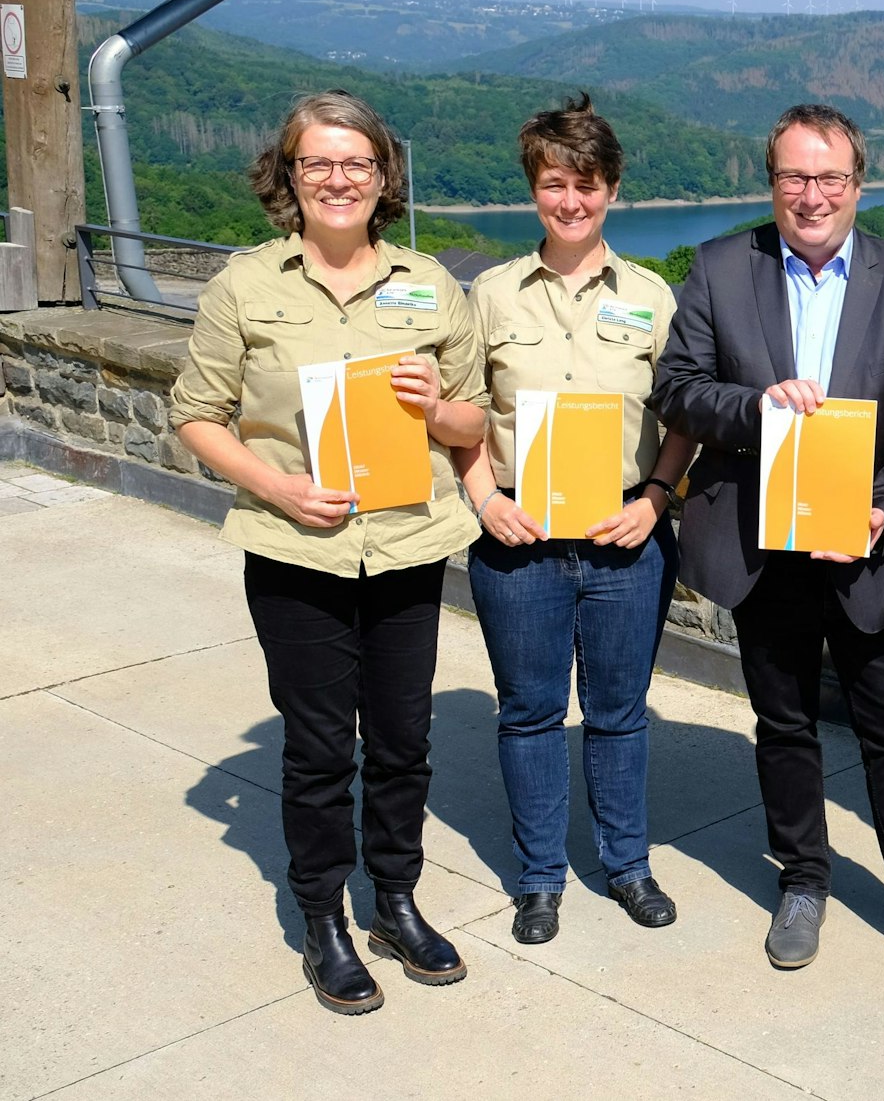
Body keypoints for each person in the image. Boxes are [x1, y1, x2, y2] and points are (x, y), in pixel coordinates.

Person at [651, 103, 884, 981]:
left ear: (858, 184)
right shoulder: (722, 266)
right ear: (771, 182)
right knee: (783, 723)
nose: (811, 195)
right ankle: (803, 879)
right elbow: (678, 390)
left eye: (829, 178)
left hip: (867, 545)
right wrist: (755, 406)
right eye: (793, 177)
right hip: (761, 546)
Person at [169, 90, 484, 1015]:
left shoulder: (430, 282)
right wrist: (280, 487)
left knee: (402, 740)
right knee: (316, 749)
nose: (339, 178)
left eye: (357, 162)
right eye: (319, 163)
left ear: (384, 176)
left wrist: (435, 407)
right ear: (290, 177)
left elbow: (475, 422)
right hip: (293, 553)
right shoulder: (246, 285)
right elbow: (195, 413)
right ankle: (322, 920)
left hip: (405, 548)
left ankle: (393, 899)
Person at [451, 96, 696, 946]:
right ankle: (539, 877)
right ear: (533, 190)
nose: (571, 201)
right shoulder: (486, 295)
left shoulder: (654, 297)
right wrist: (486, 500)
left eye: (586, 185)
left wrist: (655, 499)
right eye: (554, 184)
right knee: (527, 713)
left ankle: (627, 865)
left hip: (625, 540)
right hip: (518, 542)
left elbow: (687, 415)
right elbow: (459, 413)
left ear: (613, 189)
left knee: (620, 711)